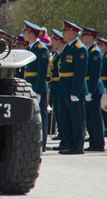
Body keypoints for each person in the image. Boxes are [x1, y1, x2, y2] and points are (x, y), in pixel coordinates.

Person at [56, 20, 88, 154]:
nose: (63, 34)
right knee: (65, 118)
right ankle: (69, 144)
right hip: (64, 88)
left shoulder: (80, 49)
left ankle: (77, 146)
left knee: (77, 119)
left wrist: (75, 92)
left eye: (65, 31)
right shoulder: (68, 47)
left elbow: (80, 73)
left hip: (74, 89)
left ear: (73, 33)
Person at [22, 21, 50, 151]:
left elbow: (42, 72)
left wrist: (38, 91)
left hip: (37, 86)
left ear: (31, 34)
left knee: (41, 116)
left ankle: (42, 143)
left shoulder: (41, 49)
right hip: (29, 85)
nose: (24, 34)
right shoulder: (30, 48)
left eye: (25, 32)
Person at [80, 27, 105, 151]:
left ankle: (99, 143)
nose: (82, 38)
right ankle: (93, 141)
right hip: (88, 87)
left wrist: (90, 90)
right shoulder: (88, 50)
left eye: (84, 36)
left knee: (95, 116)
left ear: (90, 37)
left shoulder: (95, 52)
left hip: (94, 89)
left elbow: (95, 75)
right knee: (90, 116)